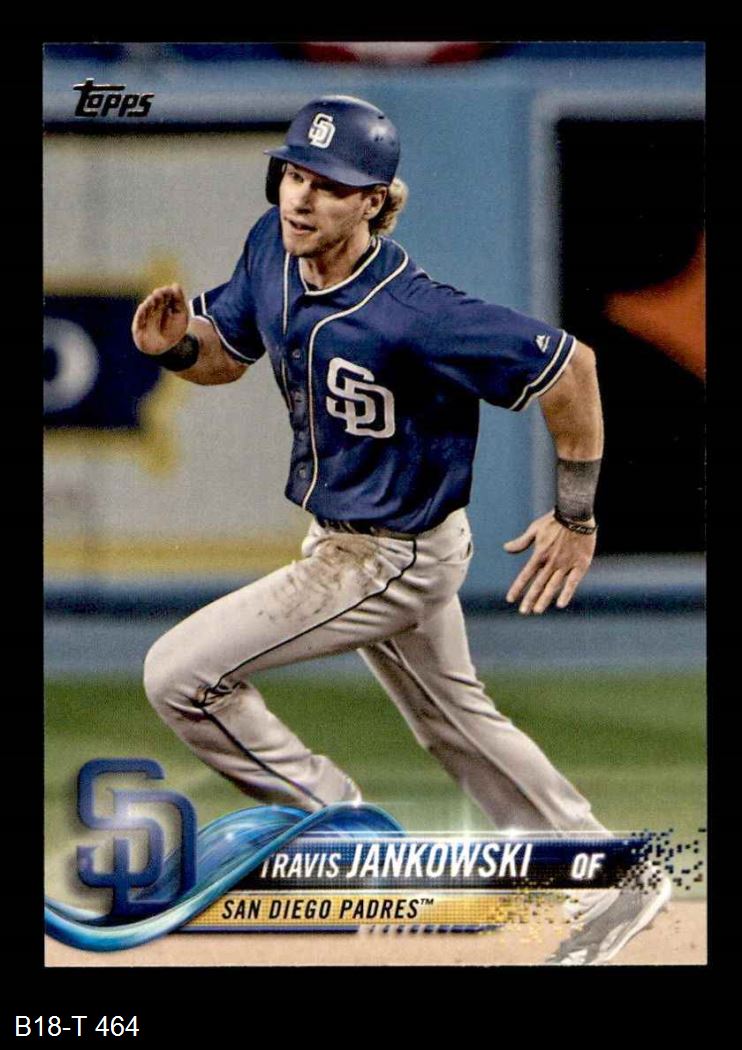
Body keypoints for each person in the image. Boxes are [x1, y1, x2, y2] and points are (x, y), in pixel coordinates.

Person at [132, 94, 670, 964]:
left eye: (329, 184)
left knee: (179, 675)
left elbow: (573, 369)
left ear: (374, 202)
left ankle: (339, 829)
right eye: (293, 175)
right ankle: (613, 873)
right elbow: (226, 354)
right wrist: (176, 349)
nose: (301, 197)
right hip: (346, 537)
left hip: (391, 553)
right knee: (456, 723)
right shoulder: (271, 248)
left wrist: (576, 514)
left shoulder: (416, 311)